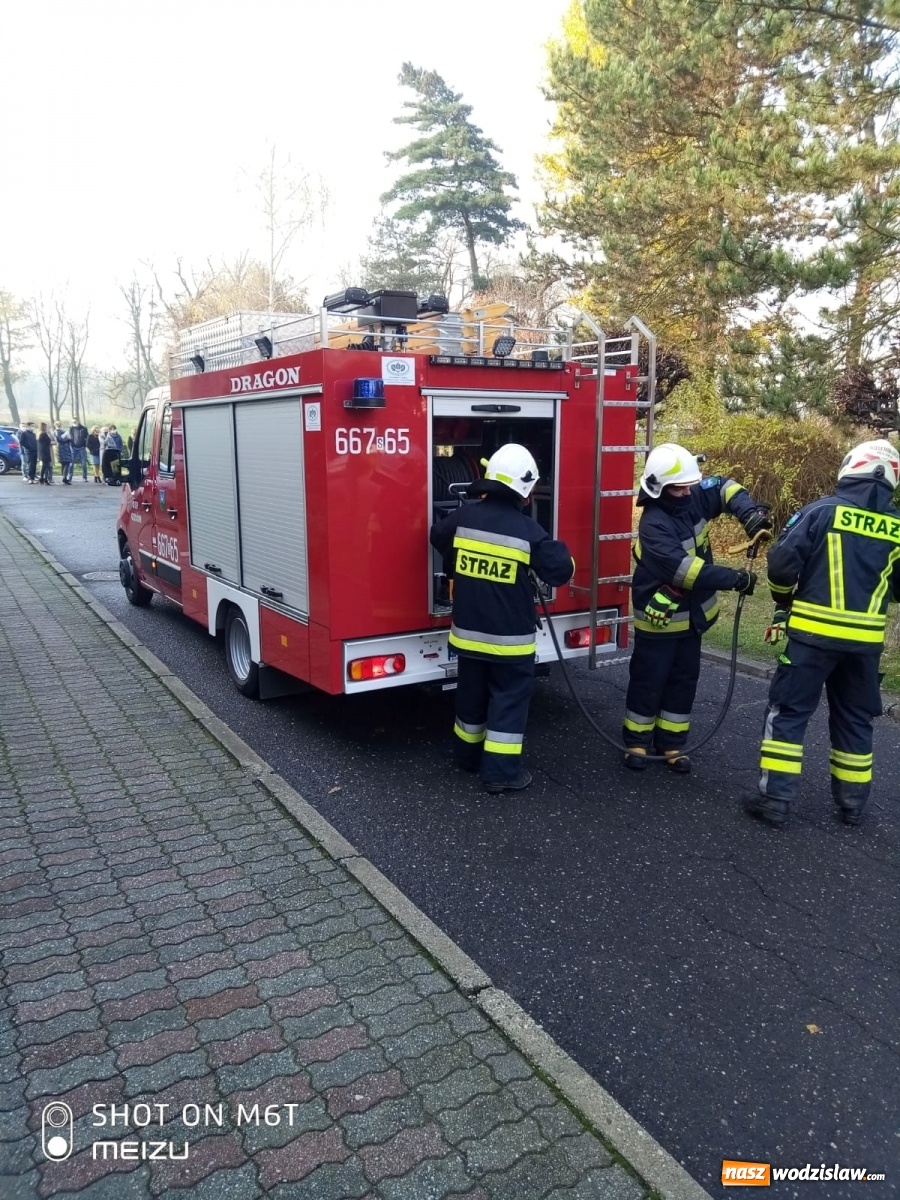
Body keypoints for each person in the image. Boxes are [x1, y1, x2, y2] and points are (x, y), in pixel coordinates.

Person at [745, 439, 900, 829]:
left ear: (851, 468)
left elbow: (781, 563)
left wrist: (785, 602)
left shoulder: (821, 511)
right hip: (865, 646)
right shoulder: (897, 527)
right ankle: (852, 805)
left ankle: (775, 801)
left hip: (811, 639)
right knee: (855, 719)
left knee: (789, 714)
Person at [430, 443, 575, 794]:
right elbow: (560, 571)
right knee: (508, 703)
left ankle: (466, 758)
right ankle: (500, 773)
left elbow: (436, 535)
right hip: (510, 643)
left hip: (467, 636)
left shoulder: (464, 518)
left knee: (471, 698)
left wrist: (455, 558)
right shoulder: (528, 531)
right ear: (525, 491)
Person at [623, 443, 770, 774]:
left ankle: (672, 744)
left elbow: (723, 486)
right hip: (660, 622)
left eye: (690, 483)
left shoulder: (690, 497)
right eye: (680, 487)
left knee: (683, 681)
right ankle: (635, 743)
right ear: (659, 489)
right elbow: (686, 571)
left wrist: (749, 514)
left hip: (692, 619)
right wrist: (734, 579)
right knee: (649, 682)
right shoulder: (654, 525)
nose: (689, 490)